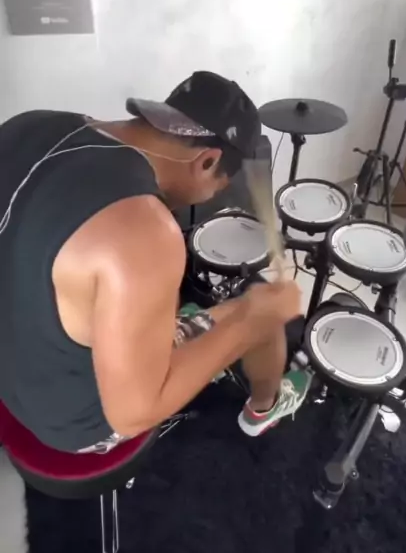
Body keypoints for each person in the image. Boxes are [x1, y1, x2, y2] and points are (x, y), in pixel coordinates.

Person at [0, 71, 311, 454]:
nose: (212, 195)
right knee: (261, 316)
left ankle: (172, 328)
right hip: (72, 421)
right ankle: (263, 409)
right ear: (208, 161)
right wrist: (251, 317)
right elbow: (133, 414)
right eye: (218, 187)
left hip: (13, 370)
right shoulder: (145, 229)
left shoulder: (29, 125)